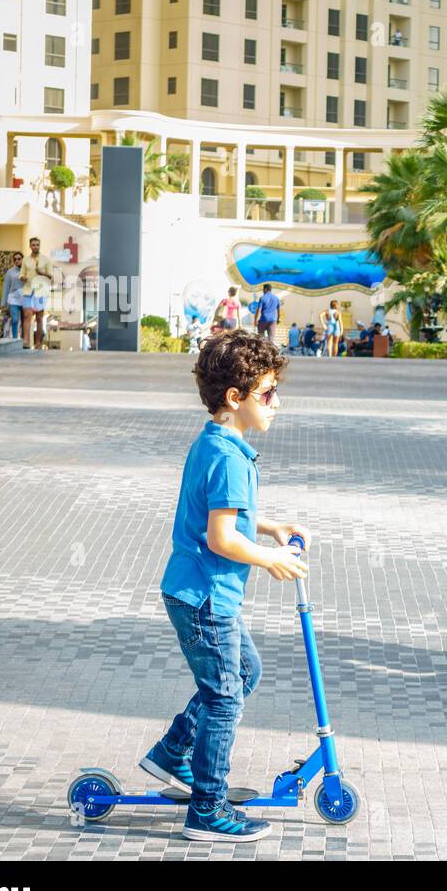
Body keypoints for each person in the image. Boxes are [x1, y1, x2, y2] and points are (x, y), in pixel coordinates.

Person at [142, 330, 310, 841]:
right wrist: (269, 559)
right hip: (206, 598)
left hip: (197, 593)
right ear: (235, 399)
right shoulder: (232, 458)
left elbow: (224, 513)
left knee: (242, 672)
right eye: (267, 394)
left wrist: (269, 525)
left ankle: (174, 751)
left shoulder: (215, 441)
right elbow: (220, 537)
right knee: (224, 698)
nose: (276, 403)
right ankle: (208, 809)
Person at [20, 237, 54, 350]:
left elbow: (50, 276)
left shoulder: (46, 260)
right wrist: (23, 277)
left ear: (40, 246)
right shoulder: (25, 260)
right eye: (33, 245)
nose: (35, 247)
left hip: (41, 292)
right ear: (30, 246)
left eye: (37, 245)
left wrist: (41, 272)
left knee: (39, 318)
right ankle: (26, 341)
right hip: (28, 290)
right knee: (27, 316)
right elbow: (21, 273)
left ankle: (38, 343)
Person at [0, 251, 25, 340]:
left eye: (19, 259)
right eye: (15, 259)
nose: (17, 261)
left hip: (25, 299)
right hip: (13, 299)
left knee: (24, 321)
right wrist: (3, 303)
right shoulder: (10, 272)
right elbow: (6, 287)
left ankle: (23, 340)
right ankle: (14, 339)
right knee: (14, 320)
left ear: (23, 259)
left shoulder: (27, 271)